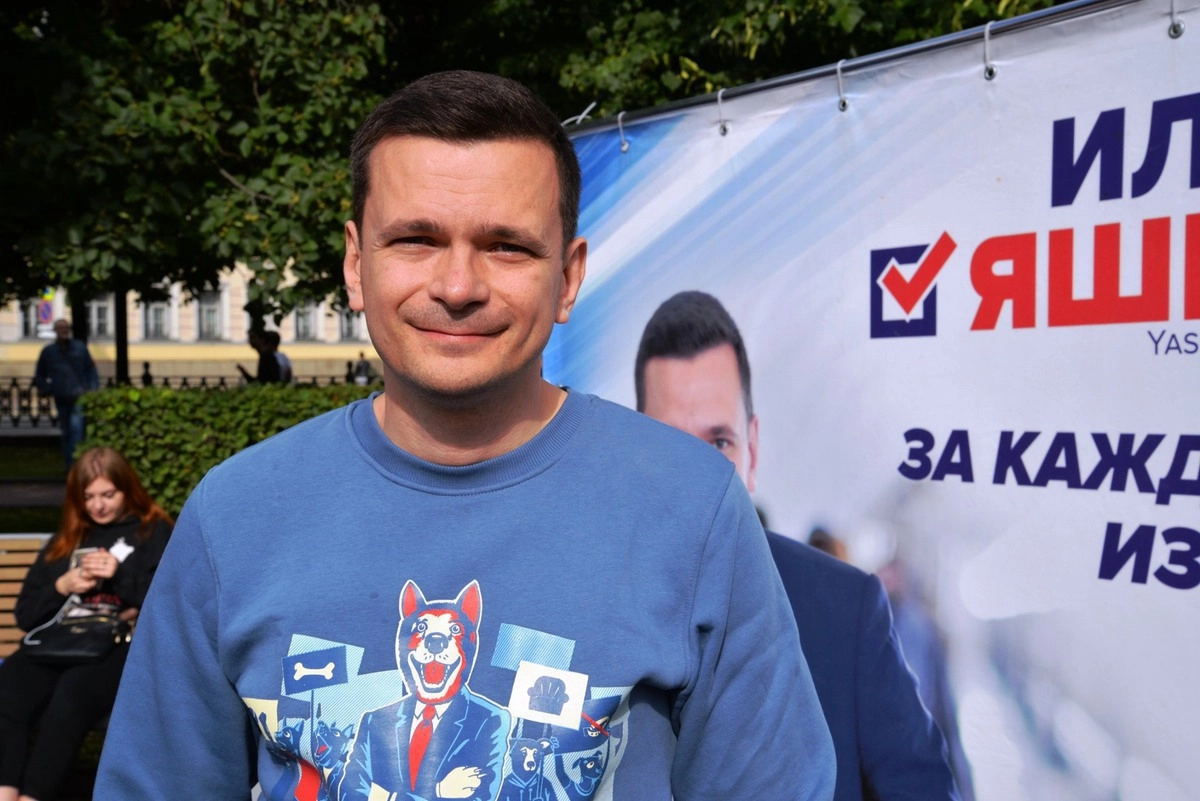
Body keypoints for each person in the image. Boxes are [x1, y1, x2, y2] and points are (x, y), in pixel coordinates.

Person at [95, 71, 835, 800]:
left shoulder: (691, 508)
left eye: (507, 246)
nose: (457, 287)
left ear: (568, 277)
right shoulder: (235, 517)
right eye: (415, 239)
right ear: (355, 264)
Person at [636, 290, 961, 801]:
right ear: (635, 454)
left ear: (753, 451)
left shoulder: (845, 613)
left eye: (718, 443)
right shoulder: (592, 608)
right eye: (670, 444)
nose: (698, 478)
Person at [0, 447, 172, 801]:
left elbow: (167, 603)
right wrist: (63, 586)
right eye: (88, 497)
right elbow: (26, 616)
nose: (98, 506)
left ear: (128, 490)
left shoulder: (154, 532)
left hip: (117, 645)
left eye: (108, 495)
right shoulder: (70, 538)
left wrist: (119, 577)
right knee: (8, 690)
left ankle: (33, 796)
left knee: (72, 695)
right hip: (58, 642)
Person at [33, 319, 99, 470]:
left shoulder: (79, 347)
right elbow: (39, 373)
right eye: (60, 328)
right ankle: (71, 465)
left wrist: (92, 389)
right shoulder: (49, 351)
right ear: (55, 330)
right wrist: (47, 388)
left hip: (78, 396)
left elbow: (91, 369)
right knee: (67, 432)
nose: (64, 330)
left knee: (77, 431)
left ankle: (75, 465)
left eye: (66, 328)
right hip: (61, 396)